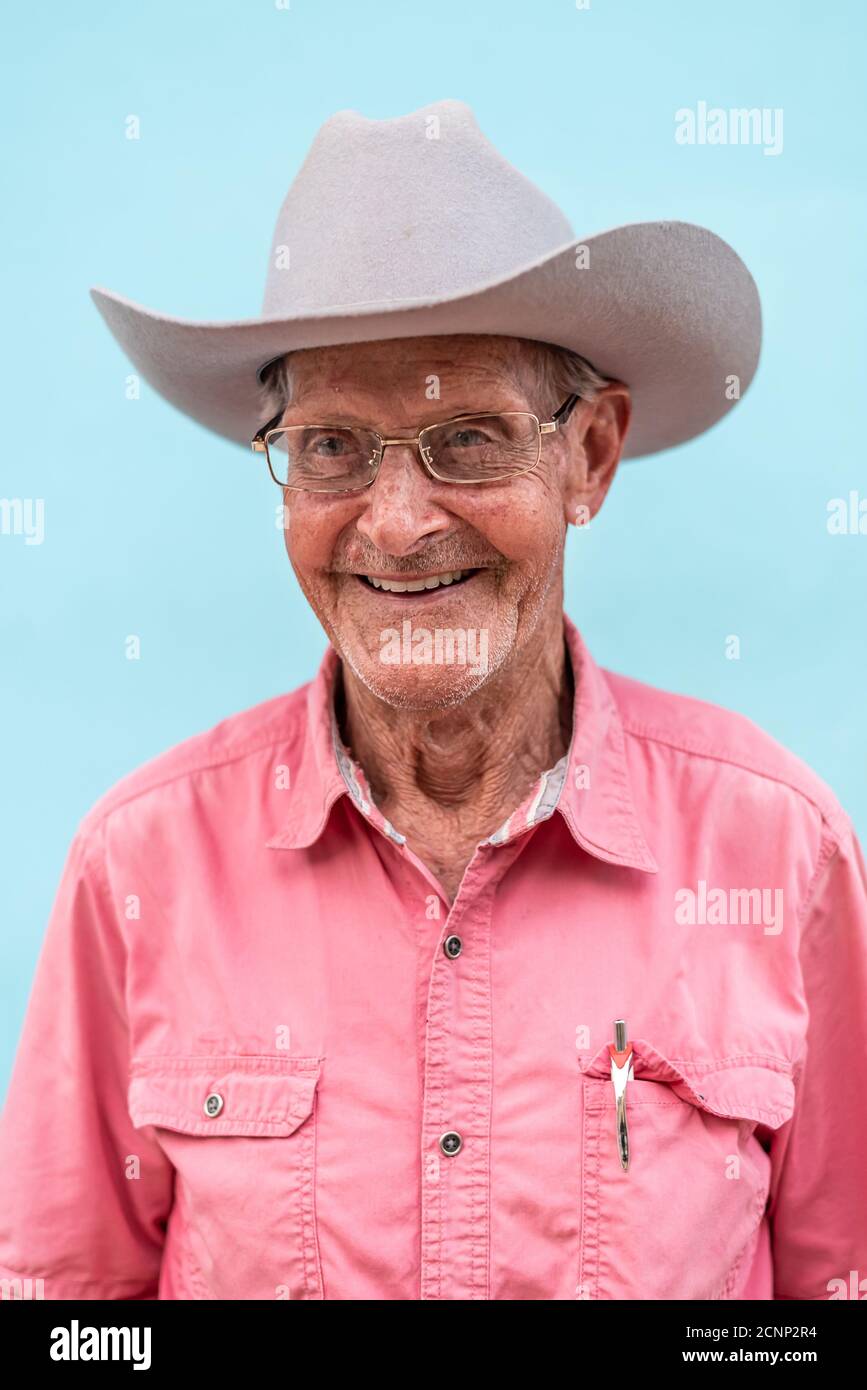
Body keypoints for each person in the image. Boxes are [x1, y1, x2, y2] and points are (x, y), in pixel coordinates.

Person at [1, 98, 865, 1302]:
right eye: (333, 449)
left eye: (465, 438)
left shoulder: (783, 850)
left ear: (593, 456)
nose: (398, 525)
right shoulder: (136, 863)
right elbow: (67, 1319)